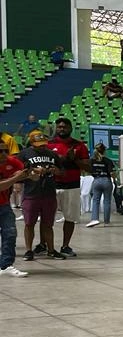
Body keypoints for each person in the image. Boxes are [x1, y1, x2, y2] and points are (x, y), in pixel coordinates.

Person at [18, 131, 64, 260]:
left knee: (48, 224)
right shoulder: (24, 154)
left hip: (49, 193)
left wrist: (55, 171)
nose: (42, 147)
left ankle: (50, 249)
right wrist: (32, 171)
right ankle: (28, 250)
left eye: (43, 144)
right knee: (29, 223)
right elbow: (18, 172)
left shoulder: (52, 154)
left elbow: (62, 172)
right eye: (39, 145)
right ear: (32, 143)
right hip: (31, 193)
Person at [47, 117, 89, 258]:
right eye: (59, 127)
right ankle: (44, 245)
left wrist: (74, 159)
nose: (62, 129)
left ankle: (65, 246)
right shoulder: (48, 144)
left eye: (64, 127)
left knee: (69, 218)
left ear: (70, 128)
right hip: (51, 185)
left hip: (72, 186)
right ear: (56, 128)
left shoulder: (79, 146)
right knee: (47, 218)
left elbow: (88, 167)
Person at [0, 141, 31, 277]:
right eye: (0, 151)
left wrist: (31, 173)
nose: (4, 154)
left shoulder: (11, 161)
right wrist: (17, 178)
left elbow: (29, 174)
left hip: (4, 205)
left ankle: (6, 265)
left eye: (6, 150)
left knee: (10, 233)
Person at [86, 144, 114, 227]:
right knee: (107, 201)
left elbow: (89, 171)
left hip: (96, 180)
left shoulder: (91, 160)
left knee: (95, 200)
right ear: (104, 151)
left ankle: (94, 219)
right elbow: (112, 173)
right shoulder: (108, 160)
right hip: (106, 181)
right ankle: (106, 222)